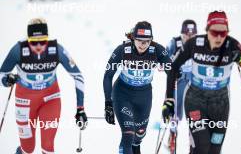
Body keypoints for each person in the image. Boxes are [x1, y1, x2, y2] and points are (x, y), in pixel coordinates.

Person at [166, 11, 241, 154]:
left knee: (215, 149)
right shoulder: (194, 44)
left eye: (223, 33)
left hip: (220, 105)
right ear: (207, 30)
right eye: (215, 32)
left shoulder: (233, 44)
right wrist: (169, 99)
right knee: (202, 146)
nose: (219, 37)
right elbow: (173, 68)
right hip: (195, 100)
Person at [0, 18, 88, 154]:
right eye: (34, 42)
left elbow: (78, 77)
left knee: (48, 146)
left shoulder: (57, 50)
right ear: (28, 39)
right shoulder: (18, 50)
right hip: (24, 102)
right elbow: (2, 74)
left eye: (43, 40)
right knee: (28, 148)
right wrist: (8, 80)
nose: (39, 46)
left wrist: (80, 109)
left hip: (50, 99)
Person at [103, 21, 175, 154]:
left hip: (144, 96)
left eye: (147, 41)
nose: (144, 45)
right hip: (122, 93)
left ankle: (136, 146)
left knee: (139, 135)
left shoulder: (157, 50)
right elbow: (108, 76)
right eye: (140, 41)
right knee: (128, 134)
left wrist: (173, 74)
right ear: (133, 38)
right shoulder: (122, 50)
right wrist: (108, 103)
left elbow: (171, 73)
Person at [166, 19, 197, 153]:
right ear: (182, 33)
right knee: (175, 112)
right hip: (178, 81)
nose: (189, 38)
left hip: (193, 81)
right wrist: (172, 69)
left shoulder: (200, 43)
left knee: (195, 112)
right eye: (186, 35)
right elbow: (164, 61)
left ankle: (194, 139)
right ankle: (172, 135)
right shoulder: (175, 43)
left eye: (192, 35)